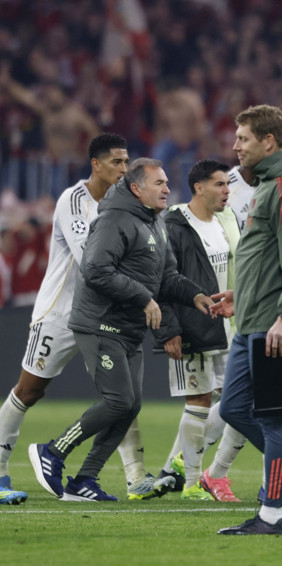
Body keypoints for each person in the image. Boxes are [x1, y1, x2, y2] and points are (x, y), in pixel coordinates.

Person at [28, 158, 212, 501]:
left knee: (129, 406)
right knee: (118, 401)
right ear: (136, 188)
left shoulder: (155, 222)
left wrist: (196, 295)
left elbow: (167, 277)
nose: (167, 189)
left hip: (127, 329)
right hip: (99, 323)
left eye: (167, 182)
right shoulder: (114, 219)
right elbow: (96, 268)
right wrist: (144, 298)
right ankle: (52, 451)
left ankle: (85, 479)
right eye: (159, 183)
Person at [0, 134, 170, 504]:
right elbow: (91, 261)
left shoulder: (127, 206)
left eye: (127, 163)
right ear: (96, 164)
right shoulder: (75, 200)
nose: (124, 170)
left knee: (122, 396)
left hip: (104, 314)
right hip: (60, 312)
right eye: (116, 163)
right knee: (29, 391)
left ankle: (136, 476)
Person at [213, 105, 282, 536]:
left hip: (275, 322)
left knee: (274, 419)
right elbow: (266, 257)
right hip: (251, 316)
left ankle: (271, 515)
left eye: (243, 138)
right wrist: (239, 293)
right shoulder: (268, 184)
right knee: (233, 408)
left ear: (268, 142)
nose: (235, 146)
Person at [151, 159, 242, 501]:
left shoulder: (225, 221)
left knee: (237, 399)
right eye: (219, 184)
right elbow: (161, 281)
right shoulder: (173, 225)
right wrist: (168, 329)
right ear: (199, 187)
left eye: (227, 184)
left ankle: (191, 466)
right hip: (191, 325)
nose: (226, 190)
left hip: (227, 325)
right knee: (199, 399)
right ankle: (191, 483)